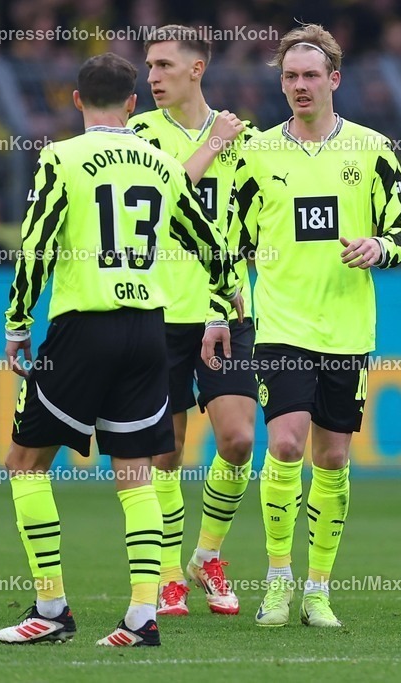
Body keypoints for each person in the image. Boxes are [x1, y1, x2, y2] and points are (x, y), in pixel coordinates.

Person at [0, 53, 241, 648]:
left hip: (85, 326)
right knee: (135, 474)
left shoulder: (60, 158)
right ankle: (141, 616)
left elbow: (36, 247)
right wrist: (222, 303)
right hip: (147, 332)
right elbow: (213, 248)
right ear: (133, 104)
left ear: (76, 101)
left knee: (24, 464)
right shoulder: (161, 164)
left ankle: (52, 608)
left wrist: (17, 323)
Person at [226, 24, 401, 628]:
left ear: (334, 79)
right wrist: (221, 307)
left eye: (311, 75)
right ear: (280, 84)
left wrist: (379, 246)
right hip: (279, 323)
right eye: (290, 77)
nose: (300, 85)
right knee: (284, 445)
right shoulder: (256, 154)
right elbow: (229, 239)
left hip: (347, 328)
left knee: (331, 460)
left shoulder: (373, 149)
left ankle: (318, 589)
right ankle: (278, 578)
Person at [127, 24, 257, 617]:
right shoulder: (137, 135)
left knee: (238, 439)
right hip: (159, 310)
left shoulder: (246, 138)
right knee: (166, 450)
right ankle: (167, 574)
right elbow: (159, 203)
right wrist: (211, 147)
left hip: (227, 308)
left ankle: (207, 555)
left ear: (196, 69)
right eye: (148, 67)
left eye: (163, 65)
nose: (151, 77)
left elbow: (261, 215)